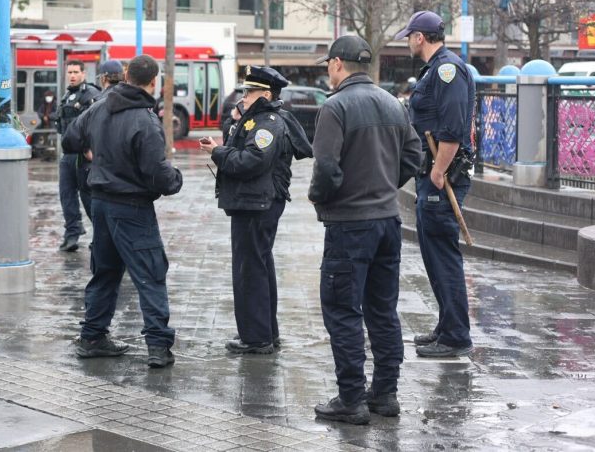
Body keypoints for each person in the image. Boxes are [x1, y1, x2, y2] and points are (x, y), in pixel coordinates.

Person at [307, 36, 422, 425]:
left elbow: (325, 167)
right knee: (382, 309)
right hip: (387, 221)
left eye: (328, 65)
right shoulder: (394, 104)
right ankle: (385, 393)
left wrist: (322, 199)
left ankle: (352, 398)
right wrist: (387, 184)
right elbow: (413, 156)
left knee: (342, 309)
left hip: (349, 224)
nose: (328, 71)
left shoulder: (335, 107)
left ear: (338, 64)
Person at [62, 55, 183, 368]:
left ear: (127, 76)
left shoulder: (100, 106)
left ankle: (92, 337)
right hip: (132, 208)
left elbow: (70, 139)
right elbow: (157, 173)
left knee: (105, 272)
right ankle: (158, 346)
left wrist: (95, 152)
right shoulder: (145, 120)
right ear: (153, 82)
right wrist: (175, 179)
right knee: (151, 274)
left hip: (100, 203)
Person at [199, 66, 312, 355]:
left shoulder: (267, 123)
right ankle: (264, 332)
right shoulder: (256, 119)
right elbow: (240, 141)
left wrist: (217, 152)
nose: (244, 96)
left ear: (266, 94)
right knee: (258, 267)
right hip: (253, 202)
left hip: (257, 203)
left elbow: (251, 161)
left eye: (249, 92)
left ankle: (256, 338)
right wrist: (236, 119)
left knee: (250, 271)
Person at [396, 10, 476, 358]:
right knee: (433, 254)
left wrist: (439, 169)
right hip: (431, 174)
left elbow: (453, 127)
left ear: (419, 37)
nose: (408, 43)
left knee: (444, 257)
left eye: (409, 37)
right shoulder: (435, 69)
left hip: (443, 177)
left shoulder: (447, 70)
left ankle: (456, 335)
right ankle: (447, 326)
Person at [55, 60, 101, 252]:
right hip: (68, 154)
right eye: (70, 72)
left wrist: (91, 149)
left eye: (76, 72)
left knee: (87, 196)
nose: (72, 75)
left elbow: (97, 124)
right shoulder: (66, 96)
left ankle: (101, 236)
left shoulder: (91, 95)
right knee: (66, 196)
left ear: (84, 73)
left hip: (83, 155)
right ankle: (72, 233)